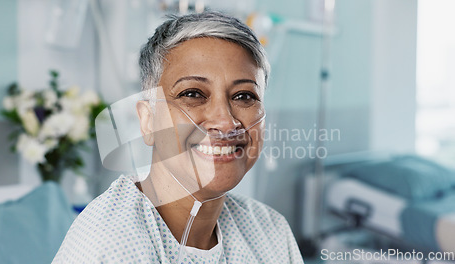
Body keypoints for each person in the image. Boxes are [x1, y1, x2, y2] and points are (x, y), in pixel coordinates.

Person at [53, 11, 303, 263]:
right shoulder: (111, 244)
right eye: (193, 94)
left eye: (244, 96)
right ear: (148, 120)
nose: (226, 122)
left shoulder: (270, 231)